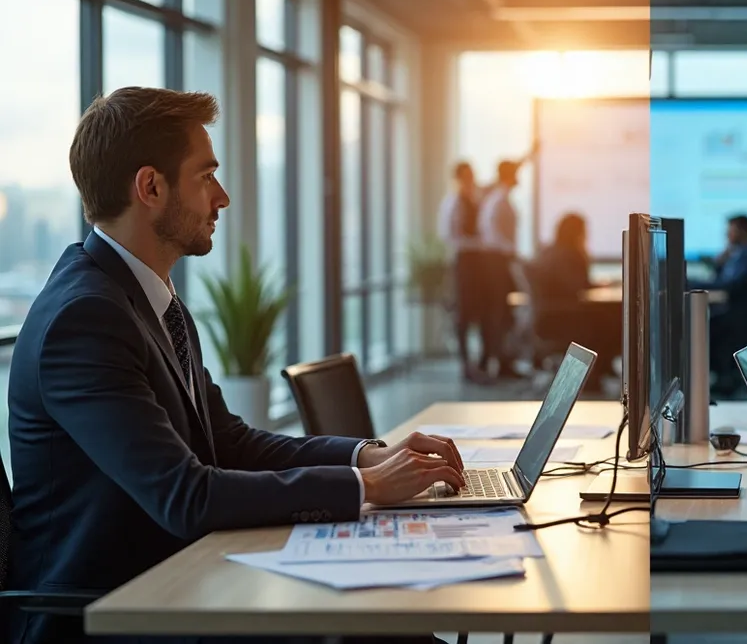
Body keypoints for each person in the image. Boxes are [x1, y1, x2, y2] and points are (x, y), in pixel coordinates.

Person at [5, 87, 466, 644]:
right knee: (376, 630)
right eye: (205, 177)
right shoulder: (84, 321)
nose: (221, 197)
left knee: (389, 622)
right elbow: (186, 497)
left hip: (180, 580)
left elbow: (230, 441)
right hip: (114, 613)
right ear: (150, 187)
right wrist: (364, 484)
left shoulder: (147, 301)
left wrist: (367, 454)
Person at [531, 214, 618, 390]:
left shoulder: (550, 250)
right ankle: (595, 376)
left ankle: (597, 373)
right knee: (611, 321)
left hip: (549, 317)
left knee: (606, 318)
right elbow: (576, 286)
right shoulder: (568, 253)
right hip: (563, 317)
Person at [690, 215, 747, 395]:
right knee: (711, 320)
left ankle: (725, 378)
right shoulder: (741, 253)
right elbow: (725, 281)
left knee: (708, 325)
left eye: (730, 230)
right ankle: (723, 374)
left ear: (742, 230)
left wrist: (692, 283)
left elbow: (731, 286)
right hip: (742, 313)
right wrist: (720, 264)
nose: (726, 234)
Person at [436, 161, 489, 384]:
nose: (471, 179)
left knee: (478, 312)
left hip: (475, 261)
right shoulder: (454, 202)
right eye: (467, 176)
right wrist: (474, 242)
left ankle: (476, 363)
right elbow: (449, 234)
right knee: (464, 314)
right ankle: (466, 363)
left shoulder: (473, 198)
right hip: (464, 261)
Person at [476, 160, 524, 380]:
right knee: (500, 314)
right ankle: (501, 362)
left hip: (497, 261)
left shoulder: (497, 198)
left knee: (502, 314)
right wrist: (511, 253)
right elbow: (493, 234)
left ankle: (502, 362)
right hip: (498, 262)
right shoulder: (498, 201)